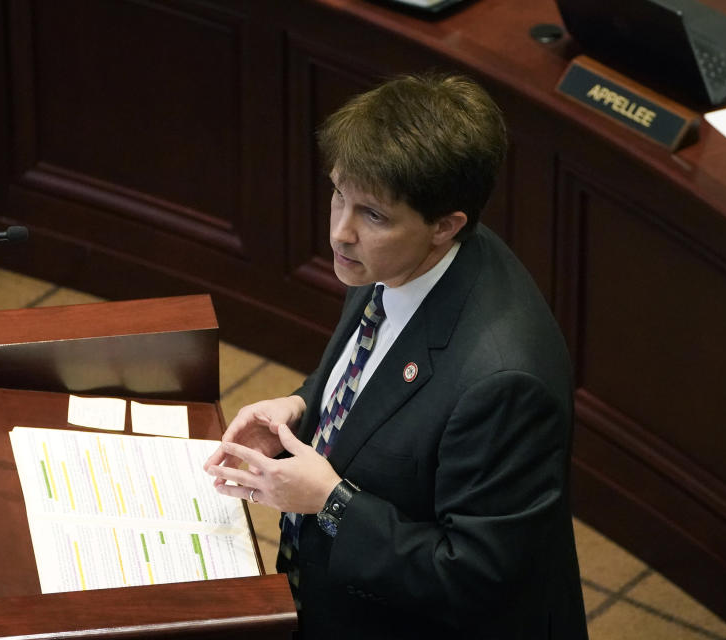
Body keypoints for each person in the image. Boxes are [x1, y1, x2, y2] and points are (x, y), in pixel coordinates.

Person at [203, 72, 588, 639]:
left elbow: (476, 577)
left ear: (446, 226)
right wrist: (301, 406)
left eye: (372, 215)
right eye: (338, 193)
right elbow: (369, 370)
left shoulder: (504, 382)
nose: (340, 231)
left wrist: (330, 502)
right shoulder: (395, 257)